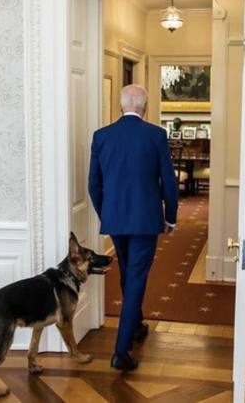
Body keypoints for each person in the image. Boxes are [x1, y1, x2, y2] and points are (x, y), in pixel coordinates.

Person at [88, 84, 179, 371]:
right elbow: (169, 180)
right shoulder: (156, 135)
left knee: (128, 272)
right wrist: (171, 217)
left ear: (120, 107)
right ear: (146, 107)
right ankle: (121, 351)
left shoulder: (102, 136)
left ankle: (136, 325)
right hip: (145, 220)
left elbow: (94, 185)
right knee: (136, 277)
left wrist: (108, 214)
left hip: (116, 219)